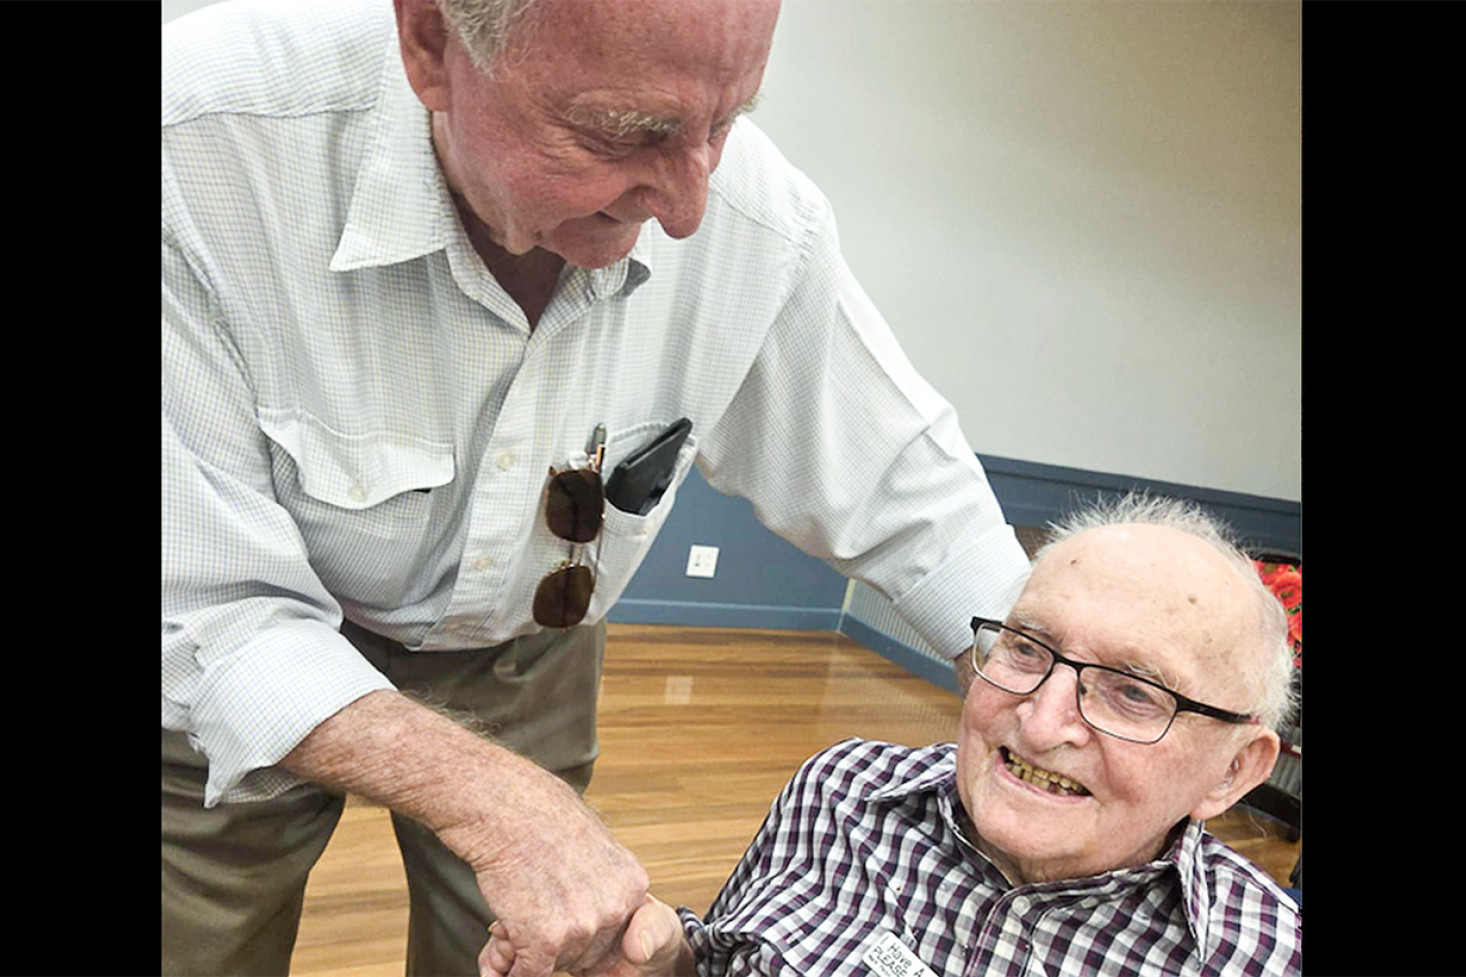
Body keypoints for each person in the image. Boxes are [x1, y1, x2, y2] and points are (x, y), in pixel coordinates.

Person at [160, 0, 1034, 975]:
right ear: (429, 43)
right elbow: (210, 611)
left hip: (527, 646)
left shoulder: (755, 216)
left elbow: (907, 486)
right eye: (622, 134)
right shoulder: (197, 142)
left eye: (725, 122)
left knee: (540, 951)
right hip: (215, 652)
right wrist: (496, 797)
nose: (689, 209)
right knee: (197, 936)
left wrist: (1051, 678)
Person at [515, 495, 1302, 977]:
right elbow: (722, 960)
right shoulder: (840, 793)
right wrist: (659, 963)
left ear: (1232, 770)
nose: (1040, 718)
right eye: (1027, 648)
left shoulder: (1266, 956)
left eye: (1133, 691)